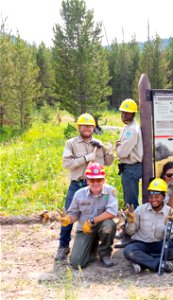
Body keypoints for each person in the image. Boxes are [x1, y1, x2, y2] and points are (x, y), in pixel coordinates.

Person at [54, 113, 114, 261]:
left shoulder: (98, 143)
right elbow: (67, 163)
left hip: (96, 186)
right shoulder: (71, 143)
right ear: (79, 127)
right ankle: (63, 246)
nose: (87, 128)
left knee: (100, 215)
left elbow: (108, 162)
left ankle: (97, 245)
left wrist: (109, 151)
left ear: (94, 127)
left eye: (90, 126)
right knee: (69, 215)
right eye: (84, 125)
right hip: (78, 184)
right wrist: (86, 159)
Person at [56, 162, 118, 268]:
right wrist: (67, 220)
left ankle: (104, 253)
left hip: (101, 226)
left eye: (99, 180)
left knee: (109, 226)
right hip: (84, 229)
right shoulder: (79, 194)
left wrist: (92, 221)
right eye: (92, 180)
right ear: (87, 180)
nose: (95, 183)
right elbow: (74, 214)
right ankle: (92, 248)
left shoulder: (110, 191)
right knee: (76, 263)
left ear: (103, 180)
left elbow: (112, 212)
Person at [123, 178, 173, 274]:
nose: (153, 200)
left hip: (160, 245)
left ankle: (142, 262)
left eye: (157, 197)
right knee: (128, 251)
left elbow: (170, 236)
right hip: (142, 244)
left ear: (164, 197)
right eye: (151, 197)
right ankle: (163, 265)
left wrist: (167, 227)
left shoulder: (170, 212)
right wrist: (130, 222)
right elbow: (130, 232)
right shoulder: (140, 210)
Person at [116, 98, 143, 210]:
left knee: (131, 201)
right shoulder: (127, 127)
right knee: (129, 198)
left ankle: (133, 224)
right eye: (122, 112)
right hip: (129, 168)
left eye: (127, 113)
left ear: (133, 114)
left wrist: (118, 147)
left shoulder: (131, 130)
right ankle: (131, 222)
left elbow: (122, 153)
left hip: (132, 168)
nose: (124, 115)